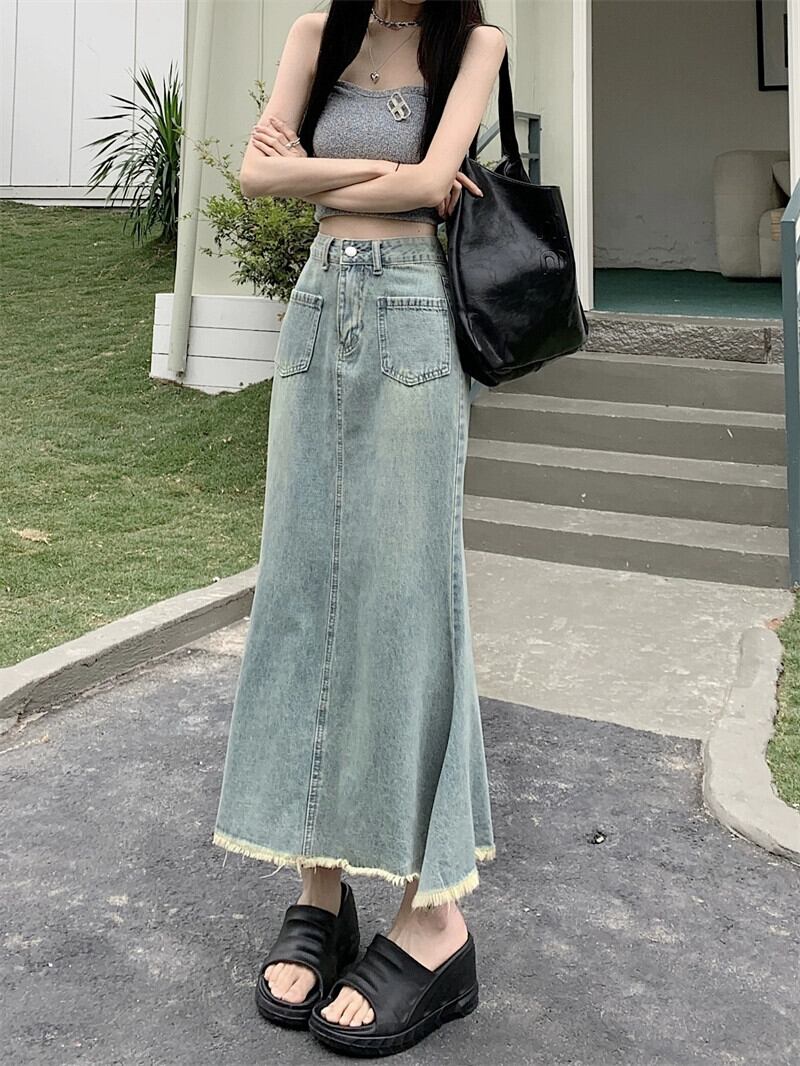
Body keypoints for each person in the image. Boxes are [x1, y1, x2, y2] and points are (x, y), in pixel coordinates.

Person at [213, 0, 507, 1055]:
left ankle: (433, 916)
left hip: (412, 318)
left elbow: (432, 189)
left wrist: (309, 172)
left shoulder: (474, 45)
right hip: (316, 307)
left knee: (407, 602)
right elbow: (253, 180)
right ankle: (319, 891)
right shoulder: (315, 34)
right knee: (303, 595)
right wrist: (372, 175)